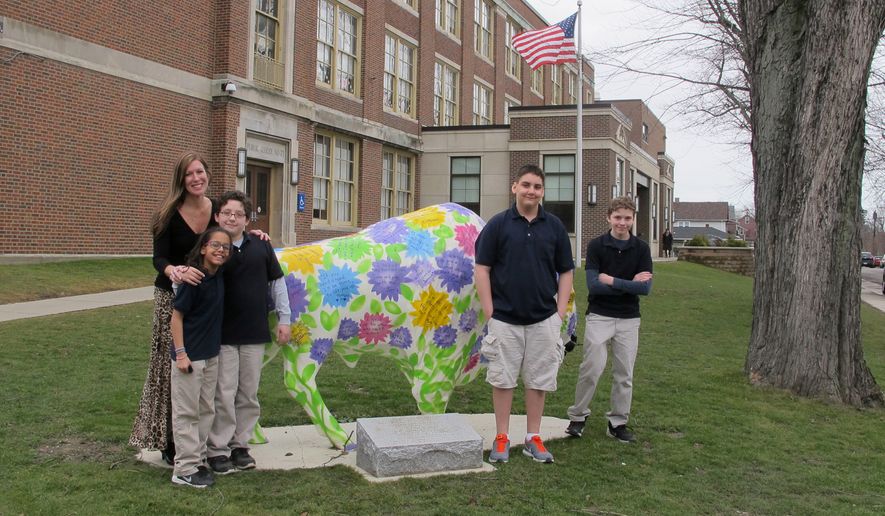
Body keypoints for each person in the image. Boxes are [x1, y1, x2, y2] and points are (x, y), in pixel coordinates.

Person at [474, 164, 575, 464]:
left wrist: (559, 313)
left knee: (539, 380)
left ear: (543, 192)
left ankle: (533, 438)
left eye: (538, 187)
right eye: (527, 185)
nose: (532, 191)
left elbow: (566, 271)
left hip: (544, 319)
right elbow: (482, 269)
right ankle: (502, 437)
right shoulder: (498, 225)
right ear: (515, 186)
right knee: (502, 380)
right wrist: (490, 312)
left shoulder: (554, 227)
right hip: (504, 319)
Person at [130, 152, 216, 465]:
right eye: (189, 174)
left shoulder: (217, 209)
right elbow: (159, 259)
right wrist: (174, 271)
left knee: (203, 367)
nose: (196, 178)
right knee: (172, 367)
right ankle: (169, 439)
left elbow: (236, 238)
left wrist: (257, 235)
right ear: (181, 180)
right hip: (172, 299)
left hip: (207, 301)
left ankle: (202, 438)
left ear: (207, 174)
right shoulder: (167, 214)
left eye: (200, 172)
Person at [206, 191, 291, 474]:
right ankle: (217, 449)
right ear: (217, 216)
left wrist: (284, 318)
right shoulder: (212, 247)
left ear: (247, 219)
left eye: (239, 214)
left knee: (248, 393)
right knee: (224, 393)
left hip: (254, 332)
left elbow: (277, 282)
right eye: (227, 213)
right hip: (222, 333)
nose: (232, 217)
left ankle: (240, 446)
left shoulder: (261, 246)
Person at [565, 196, 653, 443]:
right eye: (617, 218)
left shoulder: (642, 249)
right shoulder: (596, 246)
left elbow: (645, 289)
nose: (622, 223)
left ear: (633, 219)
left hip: (628, 319)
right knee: (591, 369)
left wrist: (612, 280)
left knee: (624, 373)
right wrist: (629, 284)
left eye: (627, 218)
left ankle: (618, 422)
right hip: (600, 316)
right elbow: (593, 286)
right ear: (608, 218)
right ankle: (578, 417)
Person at [170, 227, 232, 488]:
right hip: (190, 357)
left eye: (225, 248)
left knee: (207, 409)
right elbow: (176, 317)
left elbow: (244, 244)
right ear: (203, 248)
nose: (221, 250)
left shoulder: (217, 276)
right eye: (215, 245)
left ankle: (196, 461)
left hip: (210, 355)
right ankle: (183, 468)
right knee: (187, 412)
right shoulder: (193, 279)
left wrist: (260, 235)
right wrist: (181, 354)